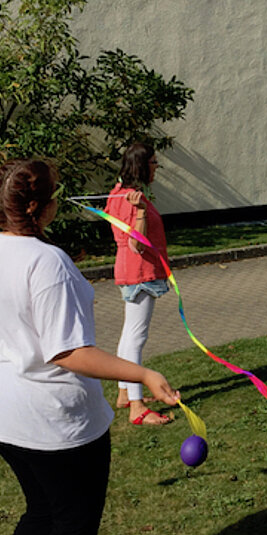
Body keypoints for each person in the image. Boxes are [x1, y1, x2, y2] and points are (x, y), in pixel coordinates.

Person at [0, 159, 179, 535]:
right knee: (72, 522)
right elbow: (68, 353)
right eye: (54, 195)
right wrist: (143, 374)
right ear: (39, 207)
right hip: (49, 420)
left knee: (42, 510)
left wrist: (9, 325)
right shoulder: (48, 262)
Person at [105, 143, 173, 426]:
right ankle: (137, 407)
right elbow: (135, 244)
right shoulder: (130, 199)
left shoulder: (120, 194)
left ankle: (125, 394)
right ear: (141, 165)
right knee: (136, 337)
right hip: (138, 274)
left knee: (129, 334)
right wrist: (142, 211)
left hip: (134, 273)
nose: (157, 167)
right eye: (154, 162)